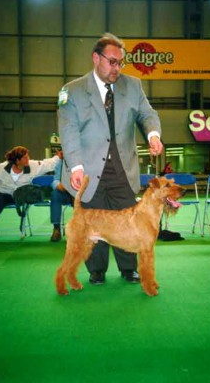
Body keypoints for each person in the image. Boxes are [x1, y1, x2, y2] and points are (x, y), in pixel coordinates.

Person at [58, 32, 163, 285]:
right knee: (92, 222)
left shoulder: (133, 85)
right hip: (87, 170)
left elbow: (147, 114)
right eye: (112, 61)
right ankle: (97, 271)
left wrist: (153, 134)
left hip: (122, 168)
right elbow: (68, 130)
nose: (117, 67)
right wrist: (76, 167)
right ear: (96, 58)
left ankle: (129, 269)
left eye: (120, 63)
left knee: (128, 220)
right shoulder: (71, 91)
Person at [0, 146, 60, 220]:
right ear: (17, 160)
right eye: (25, 158)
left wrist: (58, 157)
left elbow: (47, 164)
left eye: (28, 156)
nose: (28, 159)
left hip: (17, 196)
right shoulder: (1, 168)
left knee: (1, 199)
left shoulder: (32, 166)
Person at [50, 152, 73, 242]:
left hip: (81, 192)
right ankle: (56, 229)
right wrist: (58, 185)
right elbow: (54, 179)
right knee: (55, 194)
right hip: (65, 192)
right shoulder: (59, 162)